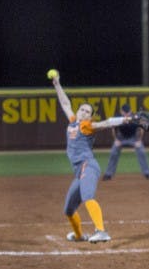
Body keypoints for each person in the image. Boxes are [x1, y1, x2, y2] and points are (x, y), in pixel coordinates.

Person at [51, 73, 134, 243]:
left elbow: (104, 123)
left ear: (89, 116)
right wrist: (57, 84)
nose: (84, 112)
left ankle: (101, 231)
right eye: (82, 109)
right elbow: (65, 103)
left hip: (88, 166)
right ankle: (80, 235)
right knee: (68, 209)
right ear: (78, 111)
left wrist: (125, 120)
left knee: (88, 196)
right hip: (79, 172)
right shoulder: (73, 121)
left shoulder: (86, 126)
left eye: (87, 112)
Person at [103, 103, 149, 180]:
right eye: (125, 112)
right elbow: (113, 129)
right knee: (113, 152)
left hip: (133, 137)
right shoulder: (117, 118)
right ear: (121, 112)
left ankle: (147, 173)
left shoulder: (135, 118)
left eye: (128, 112)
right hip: (121, 138)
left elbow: (141, 129)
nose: (127, 114)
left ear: (131, 111)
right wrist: (116, 140)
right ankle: (108, 174)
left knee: (141, 151)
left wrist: (139, 140)